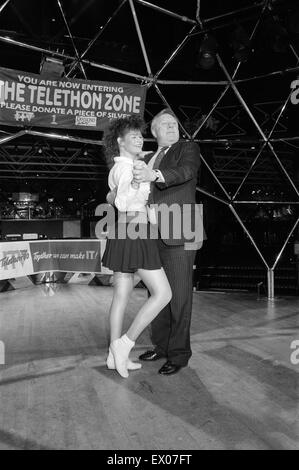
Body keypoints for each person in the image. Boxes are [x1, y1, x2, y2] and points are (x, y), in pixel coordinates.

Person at [132, 108, 202, 375]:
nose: (172, 127)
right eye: (165, 124)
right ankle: (160, 346)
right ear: (154, 132)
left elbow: (185, 172)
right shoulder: (147, 158)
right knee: (156, 294)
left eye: (174, 123)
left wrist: (156, 176)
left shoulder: (187, 148)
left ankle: (179, 354)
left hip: (181, 229)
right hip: (150, 233)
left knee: (180, 296)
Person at [101, 115, 172, 379]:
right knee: (163, 293)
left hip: (127, 230)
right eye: (133, 135)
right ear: (119, 141)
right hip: (134, 231)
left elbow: (120, 199)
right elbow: (121, 202)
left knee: (121, 295)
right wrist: (134, 183)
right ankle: (124, 343)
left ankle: (113, 354)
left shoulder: (124, 166)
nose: (139, 138)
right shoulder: (126, 168)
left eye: (140, 135)